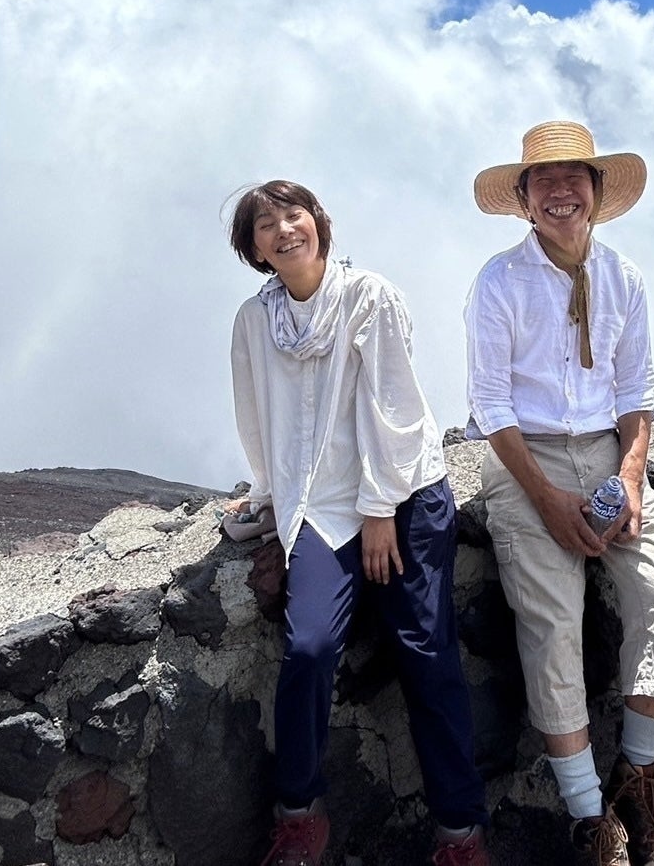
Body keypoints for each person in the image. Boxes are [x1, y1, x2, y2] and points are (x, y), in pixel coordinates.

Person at [227, 180, 490, 866]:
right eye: (265, 224)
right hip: (319, 503)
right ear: (254, 248)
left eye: (294, 214)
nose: (284, 229)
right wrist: (267, 495)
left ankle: (460, 834)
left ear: (319, 222)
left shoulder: (368, 295)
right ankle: (299, 816)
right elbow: (257, 416)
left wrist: (379, 509)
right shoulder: (255, 321)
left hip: (404, 494)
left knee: (426, 655)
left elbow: (394, 408)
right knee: (310, 647)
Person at [463, 122, 654, 866]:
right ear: (525, 200)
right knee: (551, 622)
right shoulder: (499, 281)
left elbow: (637, 388)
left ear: (595, 191)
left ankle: (638, 778)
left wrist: (630, 477)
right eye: (544, 180)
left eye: (574, 177)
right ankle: (589, 814)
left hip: (606, 453)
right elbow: (490, 403)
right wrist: (547, 499)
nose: (561, 191)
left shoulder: (624, 276)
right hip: (522, 456)